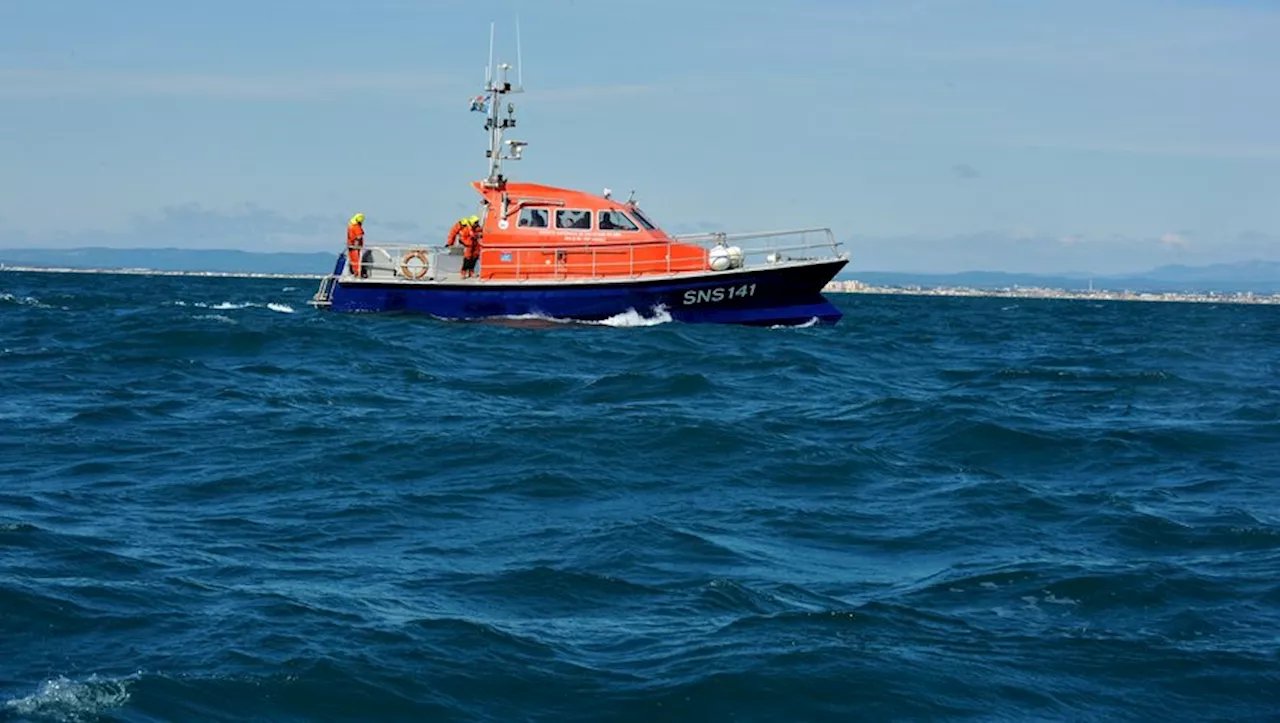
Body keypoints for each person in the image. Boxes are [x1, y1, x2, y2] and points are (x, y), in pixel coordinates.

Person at [346, 213, 365, 277]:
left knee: (354, 261)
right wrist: (356, 245)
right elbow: (359, 236)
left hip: (351, 246)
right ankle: (357, 273)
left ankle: (356, 272)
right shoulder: (356, 227)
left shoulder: (351, 226)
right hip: (354, 247)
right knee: (356, 261)